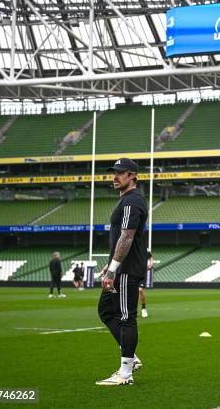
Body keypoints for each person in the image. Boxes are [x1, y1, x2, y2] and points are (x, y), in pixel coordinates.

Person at [96, 158, 148, 386]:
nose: (115, 177)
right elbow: (121, 237)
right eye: (114, 173)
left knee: (127, 317)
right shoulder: (127, 200)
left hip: (126, 269)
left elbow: (127, 236)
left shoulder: (132, 201)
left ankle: (126, 373)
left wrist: (113, 270)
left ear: (133, 176)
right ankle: (131, 357)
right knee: (106, 310)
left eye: (120, 173)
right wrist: (110, 264)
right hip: (119, 267)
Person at [139, 250, 153, 318]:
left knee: (140, 290)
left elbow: (150, 257)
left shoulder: (144, 248)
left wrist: (151, 264)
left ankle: (143, 308)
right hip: (131, 271)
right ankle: (130, 310)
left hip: (141, 271)